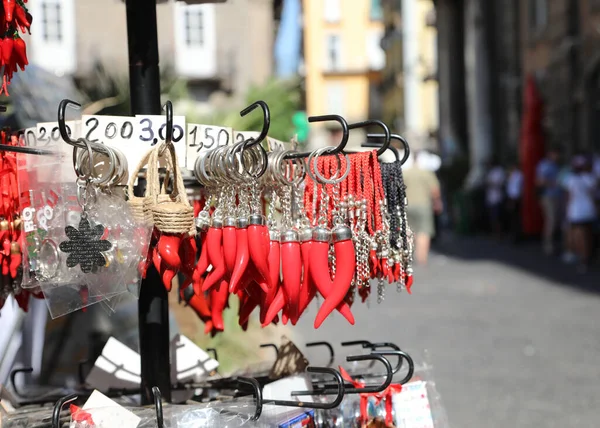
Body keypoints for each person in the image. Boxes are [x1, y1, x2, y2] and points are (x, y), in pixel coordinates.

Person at [403, 150, 443, 265]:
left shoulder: (405, 172)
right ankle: (421, 257)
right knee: (424, 232)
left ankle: (409, 255)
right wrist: (437, 202)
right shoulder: (427, 173)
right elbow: (435, 190)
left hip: (407, 205)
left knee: (409, 231)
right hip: (424, 205)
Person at [563, 155, 597, 273]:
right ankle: (588, 256)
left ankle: (583, 259)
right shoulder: (590, 178)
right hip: (589, 210)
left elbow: (569, 196)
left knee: (580, 236)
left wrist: (567, 210)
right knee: (588, 234)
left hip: (577, 212)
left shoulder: (571, 179)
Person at [536, 149, 562, 254]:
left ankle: (554, 242)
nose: (557, 156)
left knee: (556, 220)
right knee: (551, 220)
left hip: (557, 195)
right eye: (556, 153)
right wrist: (554, 183)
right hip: (548, 196)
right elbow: (540, 181)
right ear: (550, 153)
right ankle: (548, 244)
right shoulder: (544, 165)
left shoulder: (555, 165)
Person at [485, 160, 506, 237]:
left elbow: (500, 183)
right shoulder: (490, 172)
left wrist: (492, 184)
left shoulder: (499, 171)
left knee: (498, 217)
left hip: (497, 198)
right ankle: (495, 233)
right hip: (491, 198)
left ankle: (499, 233)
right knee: (492, 217)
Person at [506, 162, 523, 242]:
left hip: (515, 198)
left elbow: (516, 188)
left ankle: (516, 236)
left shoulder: (518, 175)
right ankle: (513, 235)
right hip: (511, 197)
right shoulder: (512, 175)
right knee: (512, 217)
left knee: (515, 218)